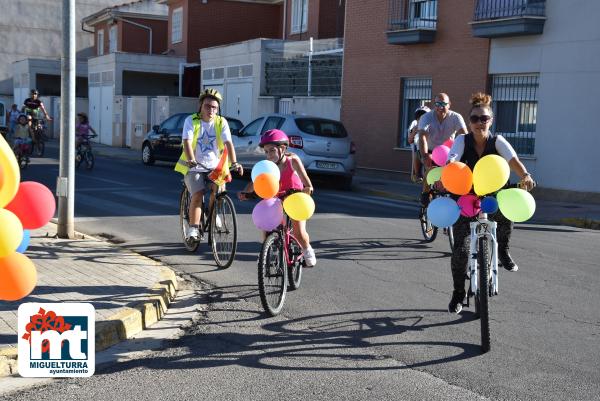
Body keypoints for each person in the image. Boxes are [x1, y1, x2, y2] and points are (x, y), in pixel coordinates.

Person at [445, 92, 536, 314]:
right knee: (461, 250)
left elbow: (513, 160)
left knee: (506, 214)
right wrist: (446, 172)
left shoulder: (498, 141)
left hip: (491, 196)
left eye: (483, 118)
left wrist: (525, 176)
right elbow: (452, 159)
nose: (479, 123)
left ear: (491, 120)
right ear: (469, 122)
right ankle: (458, 293)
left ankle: (503, 251)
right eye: (475, 119)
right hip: (466, 199)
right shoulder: (461, 140)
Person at [237, 129, 317, 267]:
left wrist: (308, 187)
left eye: (272, 151)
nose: (269, 155)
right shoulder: (267, 166)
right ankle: (266, 252)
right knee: (267, 226)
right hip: (275, 197)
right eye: (266, 152)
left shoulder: (293, 161)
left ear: (283, 148)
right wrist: (245, 192)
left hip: (295, 196)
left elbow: (305, 179)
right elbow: (256, 182)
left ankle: (307, 250)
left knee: (299, 232)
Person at [174, 88, 243, 241]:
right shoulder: (191, 121)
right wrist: (191, 159)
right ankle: (193, 228)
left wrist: (235, 162)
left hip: (215, 166)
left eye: (214, 107)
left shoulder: (221, 122)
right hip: (194, 165)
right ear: (200, 106)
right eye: (207, 106)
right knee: (198, 194)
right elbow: (186, 141)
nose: (211, 110)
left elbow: (228, 143)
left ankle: (213, 215)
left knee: (217, 190)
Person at [417, 93, 467, 204]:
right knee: (430, 166)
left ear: (449, 105)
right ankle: (425, 193)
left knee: (454, 170)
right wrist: (425, 155)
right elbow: (422, 137)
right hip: (430, 150)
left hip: (449, 151)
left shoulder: (456, 117)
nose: (440, 107)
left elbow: (464, 135)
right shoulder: (426, 117)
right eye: (437, 104)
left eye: (443, 104)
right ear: (434, 105)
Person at [407, 106, 430, 183]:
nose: (421, 118)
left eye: (423, 116)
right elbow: (410, 141)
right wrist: (414, 132)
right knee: (417, 151)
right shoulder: (414, 126)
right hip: (419, 151)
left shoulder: (432, 125)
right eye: (419, 117)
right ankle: (417, 174)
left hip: (432, 149)